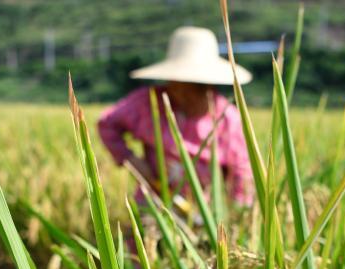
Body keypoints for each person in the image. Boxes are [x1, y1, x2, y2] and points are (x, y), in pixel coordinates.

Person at [98, 26, 254, 209]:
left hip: (205, 210)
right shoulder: (148, 103)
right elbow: (107, 124)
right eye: (176, 83)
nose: (181, 92)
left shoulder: (227, 119)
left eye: (193, 86)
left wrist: (236, 212)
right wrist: (130, 159)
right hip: (154, 201)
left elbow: (241, 172)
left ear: (209, 85)